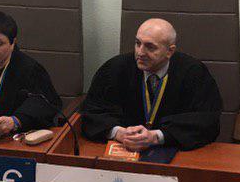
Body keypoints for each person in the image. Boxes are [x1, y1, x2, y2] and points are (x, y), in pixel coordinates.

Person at [81, 19, 222, 150]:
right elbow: (92, 113)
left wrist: (156, 137)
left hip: (175, 152)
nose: (140, 52)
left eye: (150, 47)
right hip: (123, 149)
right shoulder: (115, 69)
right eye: (138, 43)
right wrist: (118, 133)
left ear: (170, 51)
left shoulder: (194, 73)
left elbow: (206, 121)